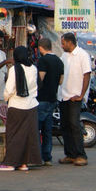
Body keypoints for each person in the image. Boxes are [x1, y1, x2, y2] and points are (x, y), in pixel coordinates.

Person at [0, 46, 41, 171]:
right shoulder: (33, 68)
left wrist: (6, 98)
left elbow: (9, 89)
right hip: (31, 105)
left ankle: (10, 163)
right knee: (27, 135)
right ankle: (24, 163)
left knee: (13, 134)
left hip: (16, 105)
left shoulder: (14, 69)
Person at [59, 32, 92, 166]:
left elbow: (87, 75)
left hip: (75, 96)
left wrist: (81, 94)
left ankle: (81, 155)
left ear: (69, 42)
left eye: (63, 43)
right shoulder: (63, 56)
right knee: (65, 125)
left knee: (75, 125)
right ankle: (70, 154)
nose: (62, 45)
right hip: (63, 95)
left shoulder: (82, 55)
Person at [36, 38, 63, 166]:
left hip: (42, 98)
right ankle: (47, 157)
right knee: (47, 130)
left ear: (41, 48)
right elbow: (61, 81)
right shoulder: (59, 61)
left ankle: (36, 156)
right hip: (53, 98)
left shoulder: (43, 60)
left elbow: (40, 79)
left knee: (37, 128)